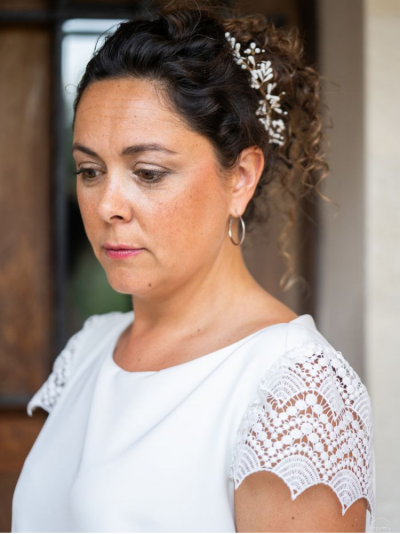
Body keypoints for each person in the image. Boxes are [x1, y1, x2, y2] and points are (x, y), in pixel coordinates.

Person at [11, 1, 375, 532]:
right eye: (89, 170)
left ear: (241, 178)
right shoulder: (91, 350)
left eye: (149, 172)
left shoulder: (294, 391)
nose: (107, 204)